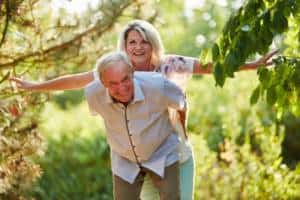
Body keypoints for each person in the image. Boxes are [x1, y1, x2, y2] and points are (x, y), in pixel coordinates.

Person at [10, 20, 277, 200]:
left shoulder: (171, 65)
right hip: (138, 162)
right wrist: (33, 86)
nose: (138, 47)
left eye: (143, 41)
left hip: (175, 155)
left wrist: (254, 64)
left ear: (153, 44)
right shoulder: (115, 71)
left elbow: (211, 66)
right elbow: (74, 80)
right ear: (124, 47)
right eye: (132, 42)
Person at [88, 51, 186, 199]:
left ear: (132, 72)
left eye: (125, 79)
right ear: (102, 83)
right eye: (113, 84)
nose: (121, 88)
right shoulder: (93, 94)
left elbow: (181, 102)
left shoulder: (157, 85)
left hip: (162, 152)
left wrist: (183, 130)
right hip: (124, 158)